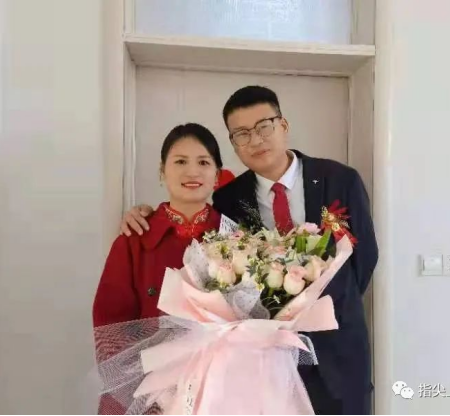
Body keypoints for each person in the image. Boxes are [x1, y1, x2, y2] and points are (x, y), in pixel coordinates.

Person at [120, 86, 379, 415]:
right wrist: (143, 213)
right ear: (233, 143)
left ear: (283, 125)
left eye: (264, 127)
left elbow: (364, 260)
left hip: (338, 350)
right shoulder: (229, 199)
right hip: (263, 362)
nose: (255, 140)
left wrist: (324, 308)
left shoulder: (339, 179)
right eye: (241, 134)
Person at [93, 123, 223, 327]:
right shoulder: (133, 241)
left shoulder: (235, 239)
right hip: (149, 348)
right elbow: (110, 324)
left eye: (203, 162)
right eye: (180, 161)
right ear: (162, 171)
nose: (192, 172)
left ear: (216, 176)